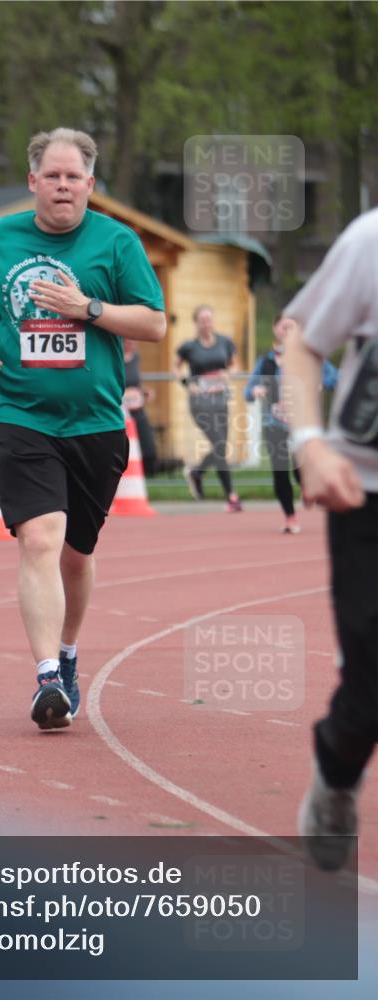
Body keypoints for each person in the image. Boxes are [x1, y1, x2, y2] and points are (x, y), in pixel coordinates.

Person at [0, 127, 166, 730]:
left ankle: (69, 651)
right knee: (41, 538)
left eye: (74, 177)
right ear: (33, 181)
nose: (64, 185)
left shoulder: (116, 243)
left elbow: (153, 324)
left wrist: (88, 309)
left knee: (76, 554)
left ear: (90, 185)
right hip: (18, 414)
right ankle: (47, 675)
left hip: (95, 422)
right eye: (53, 175)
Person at [283, 207, 377, 871]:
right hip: (364, 490)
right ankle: (335, 774)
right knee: (371, 681)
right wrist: (309, 446)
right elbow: (298, 341)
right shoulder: (369, 242)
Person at [245, 312, 337, 534]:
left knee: (301, 466)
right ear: (275, 329)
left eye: (292, 328)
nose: (287, 331)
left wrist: (320, 383)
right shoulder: (266, 361)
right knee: (279, 470)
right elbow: (247, 391)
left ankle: (308, 486)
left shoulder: (309, 356)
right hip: (274, 422)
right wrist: (255, 390)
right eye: (283, 327)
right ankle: (289, 517)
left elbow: (335, 377)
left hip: (300, 423)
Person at [173, 305, 242, 511]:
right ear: (196, 323)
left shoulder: (225, 342)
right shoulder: (189, 347)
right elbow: (175, 367)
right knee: (220, 445)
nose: (206, 323)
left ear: (213, 321)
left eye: (209, 319)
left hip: (220, 400)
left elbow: (235, 365)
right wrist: (187, 382)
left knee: (221, 446)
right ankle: (231, 496)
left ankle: (197, 473)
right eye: (202, 320)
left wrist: (228, 374)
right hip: (200, 403)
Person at [123, 340, 158, 477]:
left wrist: (145, 392)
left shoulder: (136, 357)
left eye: (133, 340)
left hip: (137, 408)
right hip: (121, 411)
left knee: (149, 447)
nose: (130, 343)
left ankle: (143, 477)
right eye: (127, 340)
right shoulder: (116, 358)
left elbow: (136, 382)